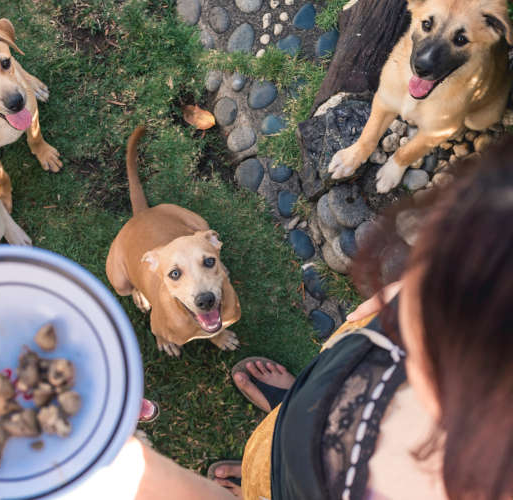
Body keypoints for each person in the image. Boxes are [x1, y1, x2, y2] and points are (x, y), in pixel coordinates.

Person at [95, 139, 513, 500]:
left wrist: (119, 470)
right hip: (313, 418)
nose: (204, 292)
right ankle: (288, 412)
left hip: (297, 483)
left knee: (276, 478)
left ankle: (262, 483)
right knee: (292, 422)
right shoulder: (420, 311)